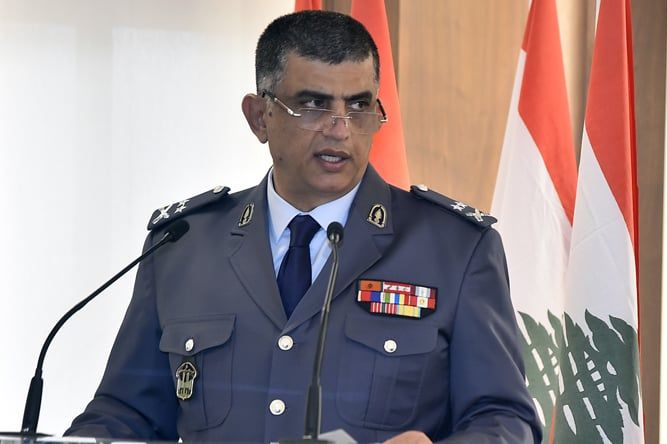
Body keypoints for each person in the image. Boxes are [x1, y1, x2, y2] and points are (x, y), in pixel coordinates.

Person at [66, 10, 541, 444]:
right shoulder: (182, 246)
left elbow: (505, 419)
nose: (340, 128)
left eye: (359, 106)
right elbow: (125, 417)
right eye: (314, 104)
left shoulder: (456, 249)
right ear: (260, 117)